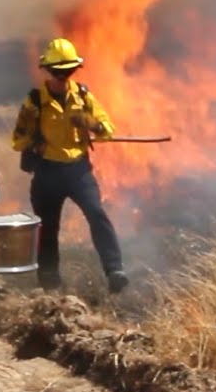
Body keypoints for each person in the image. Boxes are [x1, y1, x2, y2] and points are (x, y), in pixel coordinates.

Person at [11, 37, 129, 294]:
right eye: (57, 72)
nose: (62, 78)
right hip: (47, 173)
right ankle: (49, 281)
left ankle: (114, 270)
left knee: (97, 215)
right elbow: (17, 142)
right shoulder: (35, 102)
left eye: (67, 72)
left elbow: (107, 129)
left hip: (78, 171)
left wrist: (89, 123)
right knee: (48, 227)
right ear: (48, 71)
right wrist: (30, 132)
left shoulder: (84, 96)